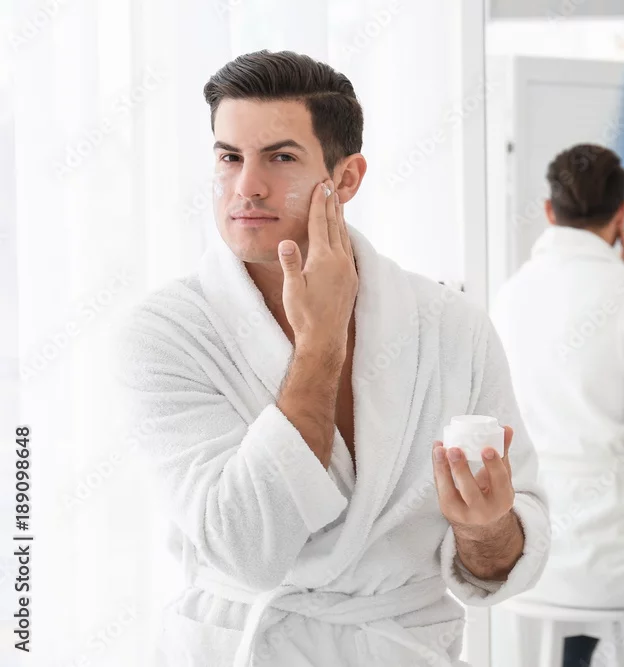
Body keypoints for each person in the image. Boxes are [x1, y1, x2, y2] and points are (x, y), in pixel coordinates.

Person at [112, 50, 549, 667]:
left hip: (398, 647)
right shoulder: (167, 333)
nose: (246, 186)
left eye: (281, 158)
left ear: (345, 180)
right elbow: (246, 547)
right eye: (229, 157)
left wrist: (484, 527)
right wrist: (320, 345)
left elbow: (507, 552)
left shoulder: (451, 327)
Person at [491, 144, 624, 666]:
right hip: (616, 551)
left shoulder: (510, 295)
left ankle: (577, 651)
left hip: (528, 547)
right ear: (622, 214)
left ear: (549, 210)